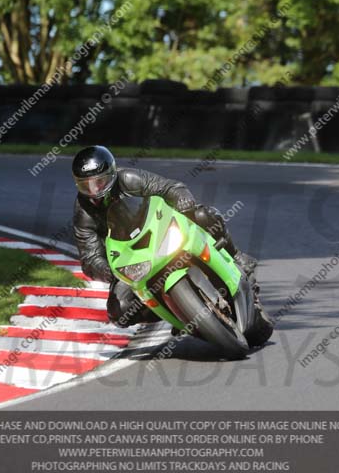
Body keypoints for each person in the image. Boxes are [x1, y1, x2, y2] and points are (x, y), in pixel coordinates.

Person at [72, 145, 273, 343]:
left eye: (99, 182)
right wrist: (107, 271)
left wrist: (182, 199)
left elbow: (169, 187)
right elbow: (89, 257)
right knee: (119, 311)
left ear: (112, 174)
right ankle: (178, 312)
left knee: (204, 215)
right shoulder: (83, 212)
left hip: (160, 229)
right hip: (129, 259)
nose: (93, 190)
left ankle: (236, 255)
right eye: (85, 185)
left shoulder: (129, 179)